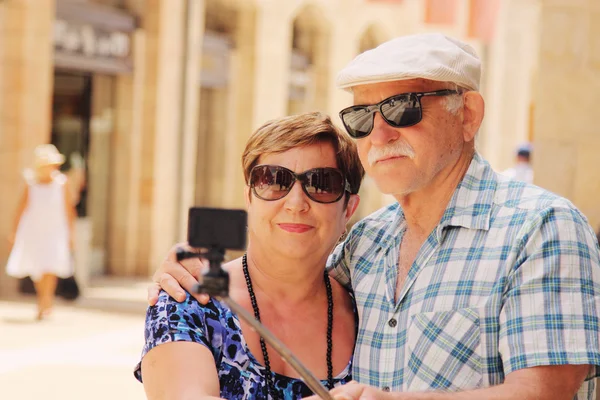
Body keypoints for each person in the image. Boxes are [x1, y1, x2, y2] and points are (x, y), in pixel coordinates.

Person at [149, 33, 600, 399]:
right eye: (362, 117)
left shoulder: (542, 228)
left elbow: (543, 392)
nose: (380, 133)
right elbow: (287, 268)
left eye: (403, 108)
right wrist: (186, 269)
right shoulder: (367, 243)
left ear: (468, 115)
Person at [135, 112, 364, 399]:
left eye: (321, 183)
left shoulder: (370, 311)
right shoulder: (188, 302)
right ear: (249, 198)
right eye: (274, 180)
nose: (295, 203)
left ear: (349, 209)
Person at [6, 144, 76, 320]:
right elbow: (21, 208)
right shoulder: (31, 184)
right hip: (35, 230)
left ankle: (47, 301)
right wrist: (14, 232)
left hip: (55, 230)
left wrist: (71, 233)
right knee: (38, 267)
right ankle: (41, 300)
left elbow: (69, 209)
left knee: (51, 266)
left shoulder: (62, 183)